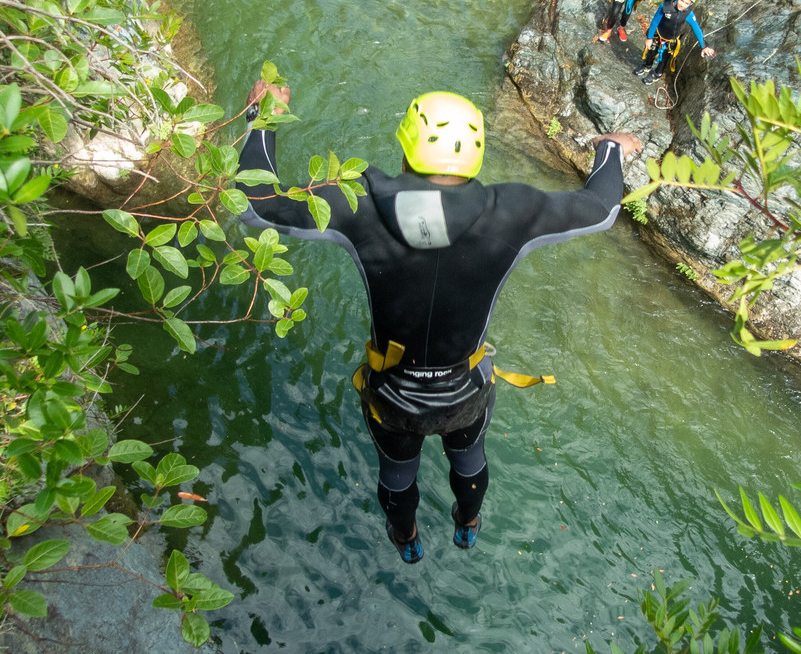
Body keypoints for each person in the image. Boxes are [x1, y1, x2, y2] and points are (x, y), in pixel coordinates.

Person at [238, 83, 642, 564]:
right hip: (462, 392)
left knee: (397, 471)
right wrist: (610, 148)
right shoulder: (512, 212)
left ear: (406, 148)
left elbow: (255, 207)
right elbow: (600, 209)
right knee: (469, 460)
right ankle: (467, 525)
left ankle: (405, 537)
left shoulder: (356, 204)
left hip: (393, 394)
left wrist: (261, 119)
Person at [634, 0, 716, 84]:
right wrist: (649, 37)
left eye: (686, 3)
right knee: (651, 52)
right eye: (681, 0)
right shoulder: (666, 6)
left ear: (690, 4)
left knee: (663, 59)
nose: (682, 5)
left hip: (670, 41)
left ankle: (657, 74)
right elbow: (655, 22)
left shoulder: (688, 14)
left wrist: (704, 46)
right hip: (658, 35)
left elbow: (697, 29)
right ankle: (647, 65)